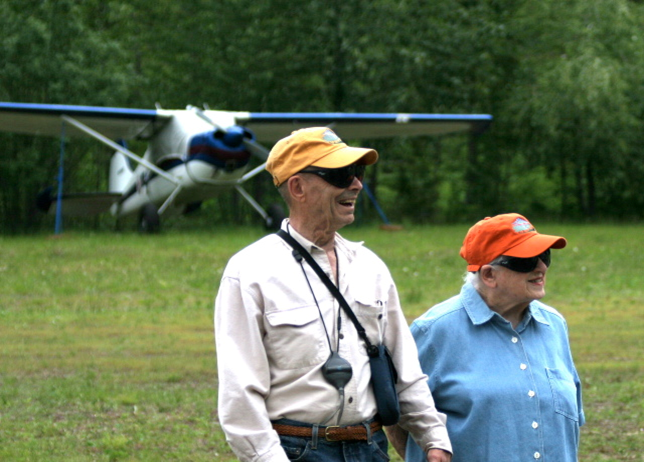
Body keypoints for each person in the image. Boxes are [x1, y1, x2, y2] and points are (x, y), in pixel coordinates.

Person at [215, 127, 452, 462]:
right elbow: (240, 393)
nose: (356, 184)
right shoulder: (250, 271)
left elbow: (404, 369)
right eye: (341, 175)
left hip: (370, 447)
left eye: (358, 173)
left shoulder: (371, 267)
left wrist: (434, 439)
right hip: (294, 450)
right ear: (297, 187)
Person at [386, 213, 585, 462]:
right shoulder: (433, 331)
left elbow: (570, 419)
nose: (541, 267)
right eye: (526, 261)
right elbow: (397, 418)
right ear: (489, 275)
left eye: (544, 256)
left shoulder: (554, 325)